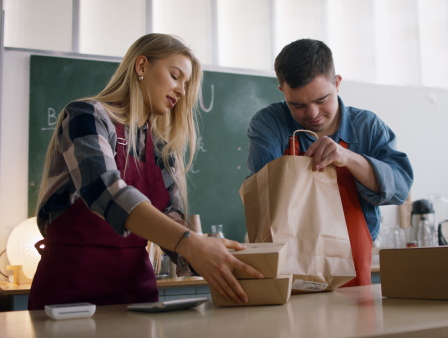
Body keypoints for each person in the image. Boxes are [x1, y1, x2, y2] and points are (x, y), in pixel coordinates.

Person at [28, 33, 262, 310]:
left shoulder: (162, 148)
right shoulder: (86, 116)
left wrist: (216, 257)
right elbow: (104, 190)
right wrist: (190, 244)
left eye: (186, 85)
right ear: (141, 66)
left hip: (135, 293)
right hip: (70, 292)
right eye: (175, 76)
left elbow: (170, 218)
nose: (182, 91)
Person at [246, 39, 413, 286]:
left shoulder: (367, 126)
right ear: (282, 91)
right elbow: (265, 197)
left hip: (354, 266)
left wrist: (349, 158)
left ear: (337, 83)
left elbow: (400, 188)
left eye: (322, 100)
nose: (312, 114)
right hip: (290, 264)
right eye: (298, 105)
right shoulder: (269, 124)